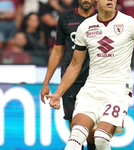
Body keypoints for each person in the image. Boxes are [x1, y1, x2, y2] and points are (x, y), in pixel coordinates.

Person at [46, 0, 134, 149]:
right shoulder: (85, 27)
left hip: (117, 90)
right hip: (91, 89)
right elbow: (75, 65)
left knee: (101, 138)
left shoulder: (130, 23)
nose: (111, 0)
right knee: (75, 137)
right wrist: (57, 93)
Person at [40, 0, 97, 149]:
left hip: (94, 81)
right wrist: (46, 83)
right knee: (75, 133)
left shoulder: (101, 19)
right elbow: (57, 51)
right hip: (70, 81)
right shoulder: (66, 18)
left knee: (92, 133)